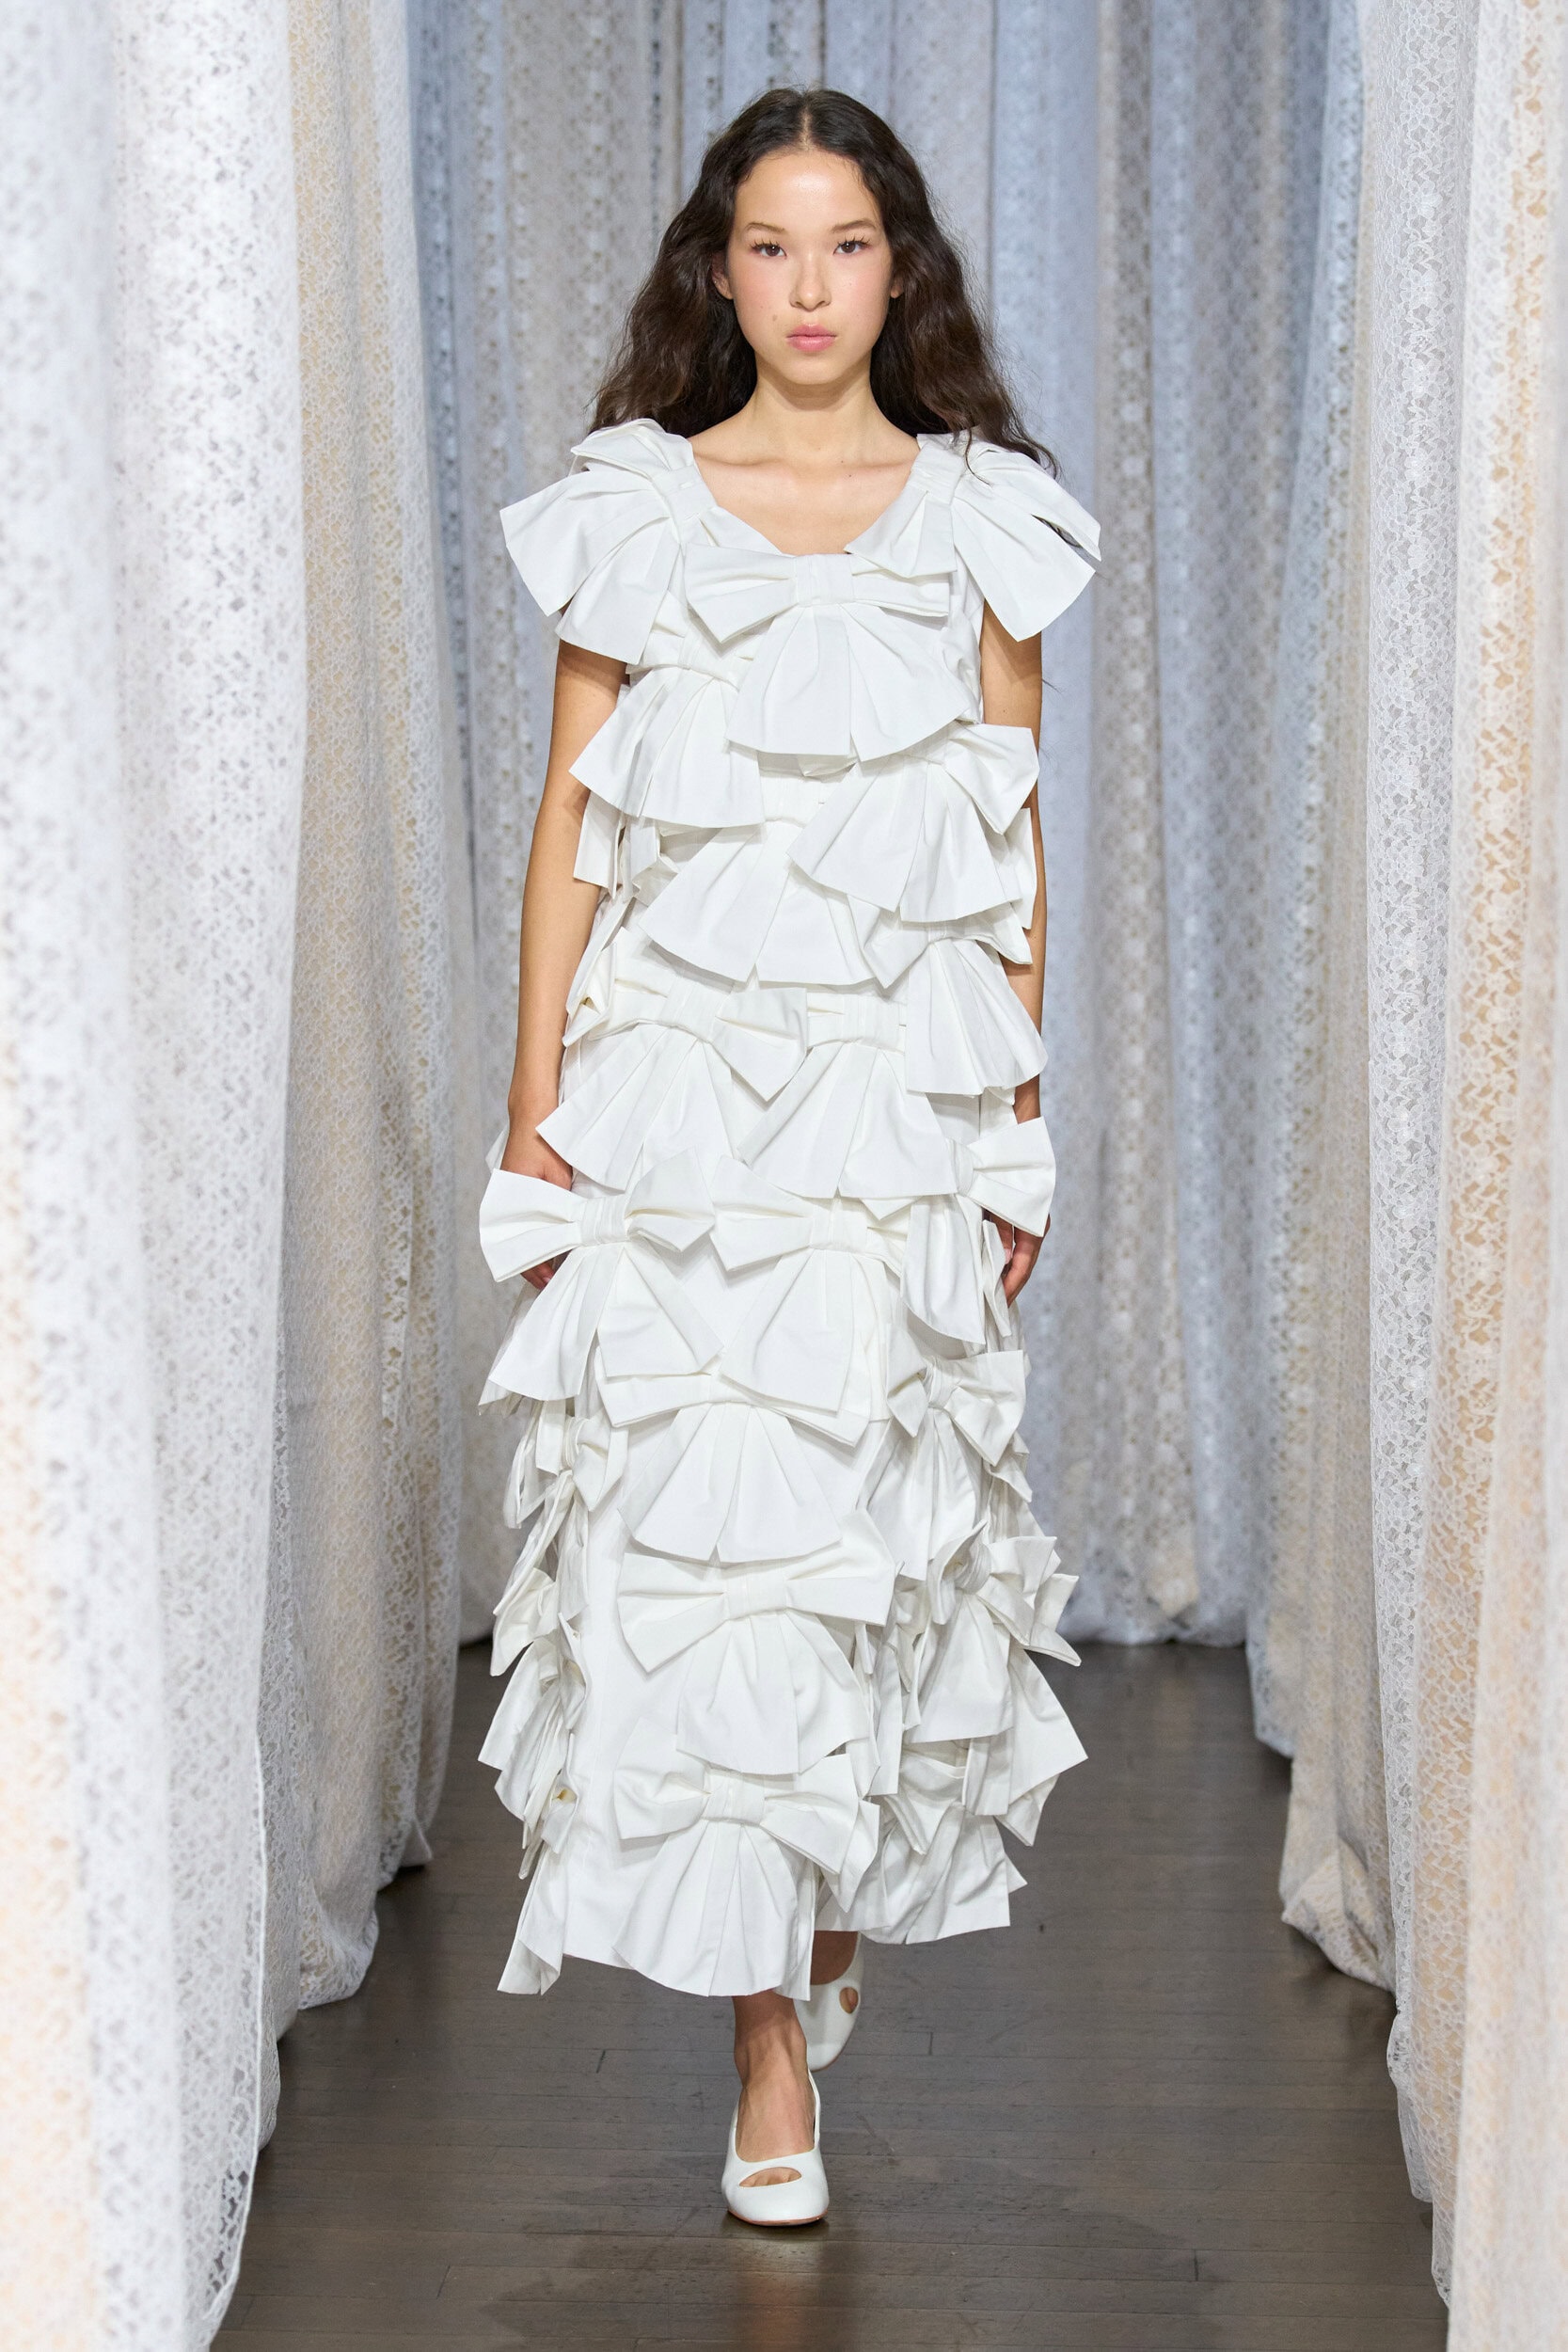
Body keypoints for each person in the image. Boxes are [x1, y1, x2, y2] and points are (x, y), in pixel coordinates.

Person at [476, 84, 1096, 2227]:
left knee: (867, 1530)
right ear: (717, 271)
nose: (810, 286)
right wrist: (537, 1114)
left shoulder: (984, 514)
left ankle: (822, 1916)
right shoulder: (637, 505)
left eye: (846, 244)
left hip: (894, 1102)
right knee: (707, 1546)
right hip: (674, 1093)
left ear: (898, 268)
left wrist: (1017, 1117)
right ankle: (764, 2049)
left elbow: (1011, 834)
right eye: (770, 244)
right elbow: (571, 829)